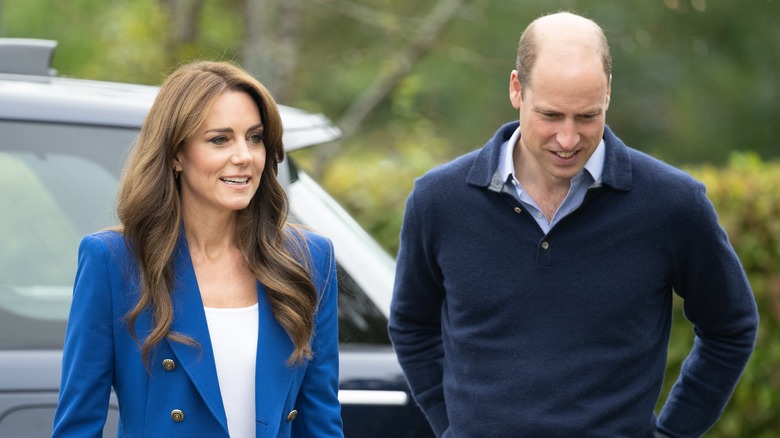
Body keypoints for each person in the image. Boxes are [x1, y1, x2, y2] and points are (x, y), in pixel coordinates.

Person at [388, 11, 758, 438]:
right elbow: (411, 325)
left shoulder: (674, 204)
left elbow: (730, 327)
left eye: (586, 117)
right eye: (551, 115)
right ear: (516, 89)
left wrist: (673, 433)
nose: (568, 139)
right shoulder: (439, 201)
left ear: (608, 95)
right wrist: (453, 426)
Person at [53, 61, 343, 437]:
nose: (244, 156)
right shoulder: (115, 261)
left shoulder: (309, 259)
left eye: (254, 138)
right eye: (220, 139)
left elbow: (320, 421)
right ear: (176, 154)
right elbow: (77, 426)